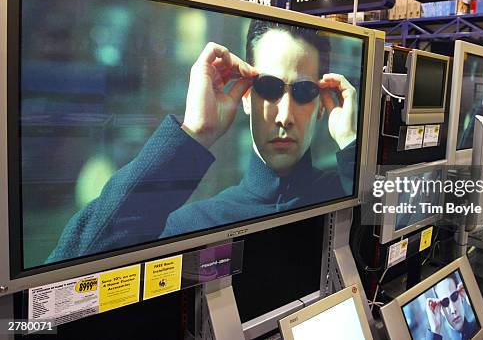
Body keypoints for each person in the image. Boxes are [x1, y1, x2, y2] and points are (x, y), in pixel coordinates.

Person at [47, 20, 358, 262]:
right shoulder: (193, 225)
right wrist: (194, 133)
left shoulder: (346, 193)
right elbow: (67, 274)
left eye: (304, 92)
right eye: (269, 88)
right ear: (246, 96)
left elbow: (393, 251)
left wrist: (351, 144)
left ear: (322, 104)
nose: (285, 117)